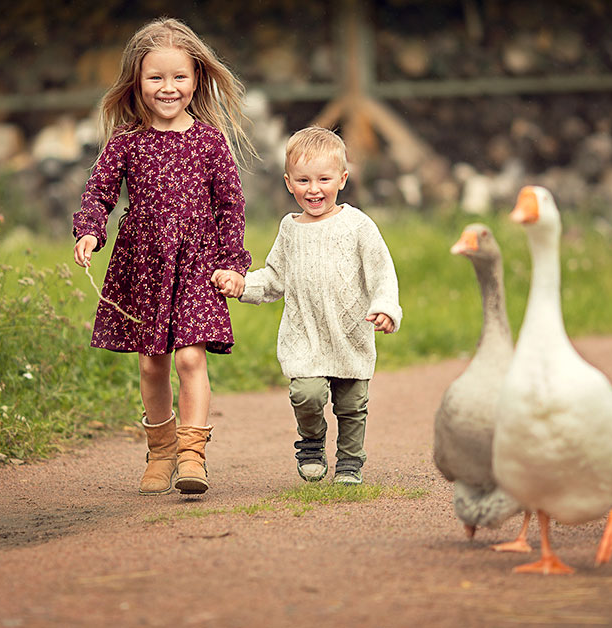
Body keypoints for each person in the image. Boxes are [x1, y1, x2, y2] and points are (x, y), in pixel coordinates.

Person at [72, 17, 255, 496]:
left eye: (179, 77)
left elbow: (230, 205)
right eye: (156, 77)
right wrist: (91, 232)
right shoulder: (125, 144)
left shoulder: (211, 142)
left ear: (196, 79)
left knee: (190, 359)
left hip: (198, 262)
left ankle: (193, 453)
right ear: (137, 82)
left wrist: (232, 262)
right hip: (143, 264)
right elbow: (99, 194)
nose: (168, 88)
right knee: (153, 363)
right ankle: (161, 451)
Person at [212, 126, 402, 485]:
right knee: (306, 394)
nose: (313, 189)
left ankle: (349, 461)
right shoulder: (290, 229)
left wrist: (386, 307)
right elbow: (273, 278)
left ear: (342, 179)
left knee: (351, 406)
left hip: (350, 335)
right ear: (288, 182)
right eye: (303, 180)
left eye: (323, 179)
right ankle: (312, 442)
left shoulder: (358, 225)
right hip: (305, 336)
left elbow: (381, 272)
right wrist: (241, 283)